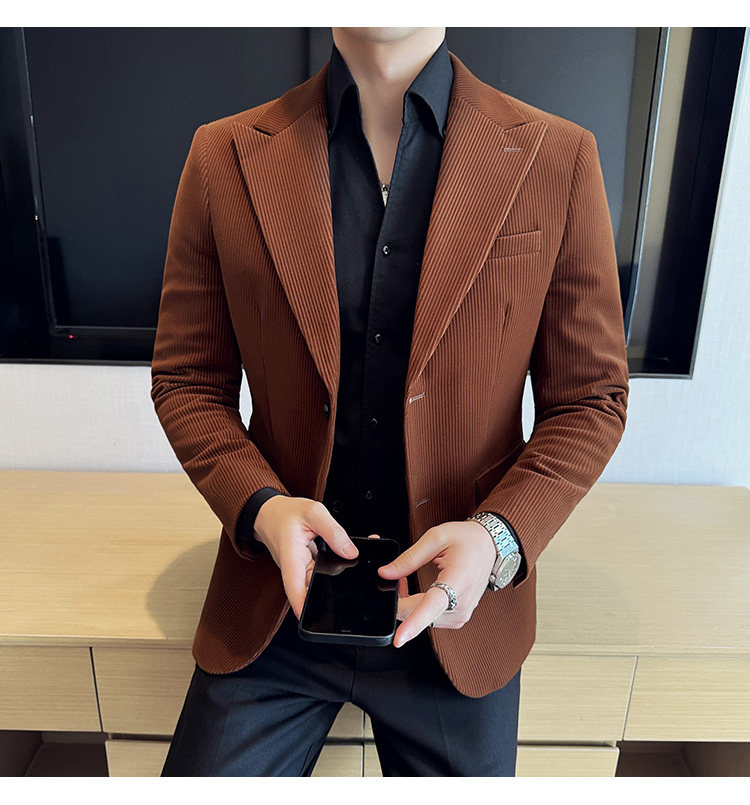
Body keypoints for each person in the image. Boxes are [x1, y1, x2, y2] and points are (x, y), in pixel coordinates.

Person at [152, 26, 629, 776]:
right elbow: (187, 382)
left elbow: (591, 399)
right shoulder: (224, 155)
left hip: (456, 608)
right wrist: (263, 511)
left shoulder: (557, 156)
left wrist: (497, 540)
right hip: (278, 602)